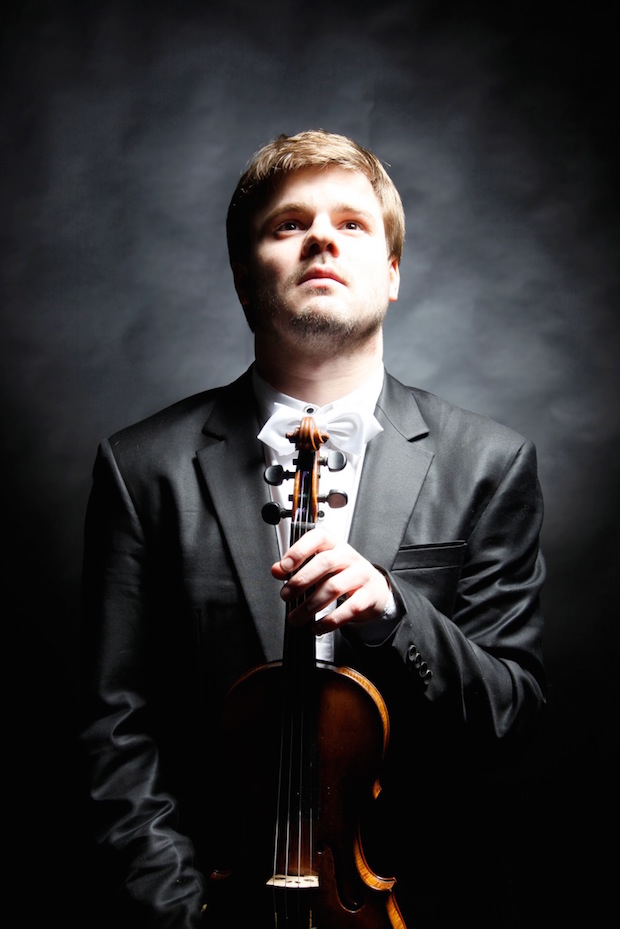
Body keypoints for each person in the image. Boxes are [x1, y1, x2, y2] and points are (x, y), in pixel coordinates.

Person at [79, 129, 546, 929]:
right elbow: (113, 729)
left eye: (352, 224)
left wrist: (393, 612)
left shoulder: (490, 463)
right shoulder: (140, 469)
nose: (322, 238)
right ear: (242, 277)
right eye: (289, 223)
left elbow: (510, 719)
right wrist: (184, 913)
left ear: (391, 273)